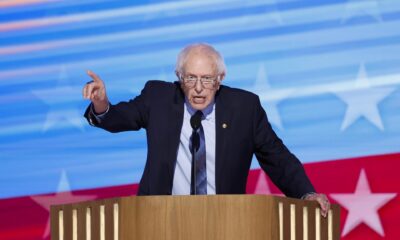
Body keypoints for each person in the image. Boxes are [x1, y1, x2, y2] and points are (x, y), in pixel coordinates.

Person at [82, 43, 330, 217]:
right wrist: (101, 103)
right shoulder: (159, 98)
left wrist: (306, 193)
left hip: (224, 223)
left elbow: (276, 157)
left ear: (220, 77)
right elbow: (118, 118)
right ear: (179, 77)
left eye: (207, 79)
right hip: (159, 221)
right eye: (190, 78)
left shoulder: (244, 108)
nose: (199, 88)